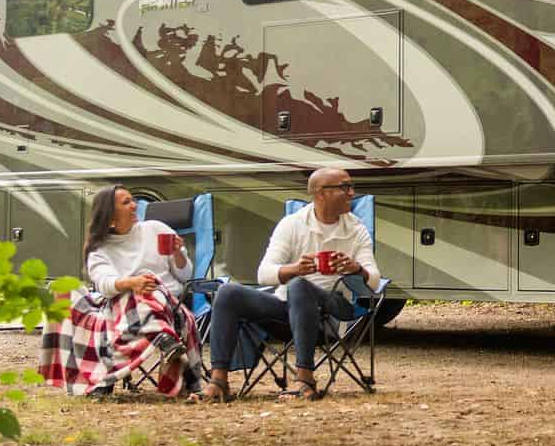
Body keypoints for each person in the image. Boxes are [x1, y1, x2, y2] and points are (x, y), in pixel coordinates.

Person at [199, 166, 383, 401]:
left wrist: (355, 269)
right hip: (286, 310)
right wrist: (294, 269)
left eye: (351, 187)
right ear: (320, 193)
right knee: (228, 292)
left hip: (331, 312)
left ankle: (305, 379)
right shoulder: (292, 224)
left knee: (299, 286)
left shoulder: (356, 230)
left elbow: (375, 280)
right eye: (344, 187)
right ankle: (219, 382)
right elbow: (264, 274)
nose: (351, 193)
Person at [39, 185, 201, 397]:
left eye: (132, 200)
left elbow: (186, 276)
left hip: (169, 305)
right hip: (120, 312)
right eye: (126, 202)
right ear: (110, 216)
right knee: (61, 290)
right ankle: (162, 338)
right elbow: (104, 284)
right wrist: (131, 283)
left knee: (147, 283)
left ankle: (105, 378)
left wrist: (178, 253)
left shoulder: (156, 229)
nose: (135, 205)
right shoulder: (100, 249)